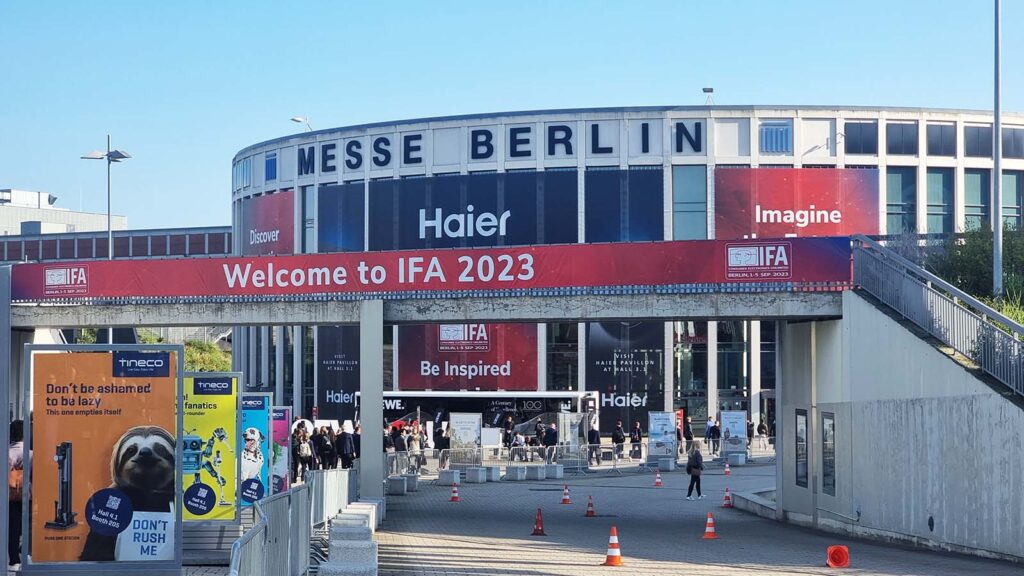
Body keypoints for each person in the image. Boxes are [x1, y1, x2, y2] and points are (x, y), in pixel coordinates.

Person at [9, 420, 24, 569]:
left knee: (12, 527)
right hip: (28, 494)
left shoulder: (6, 452)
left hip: (10, 496)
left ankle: (14, 558)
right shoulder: (30, 453)